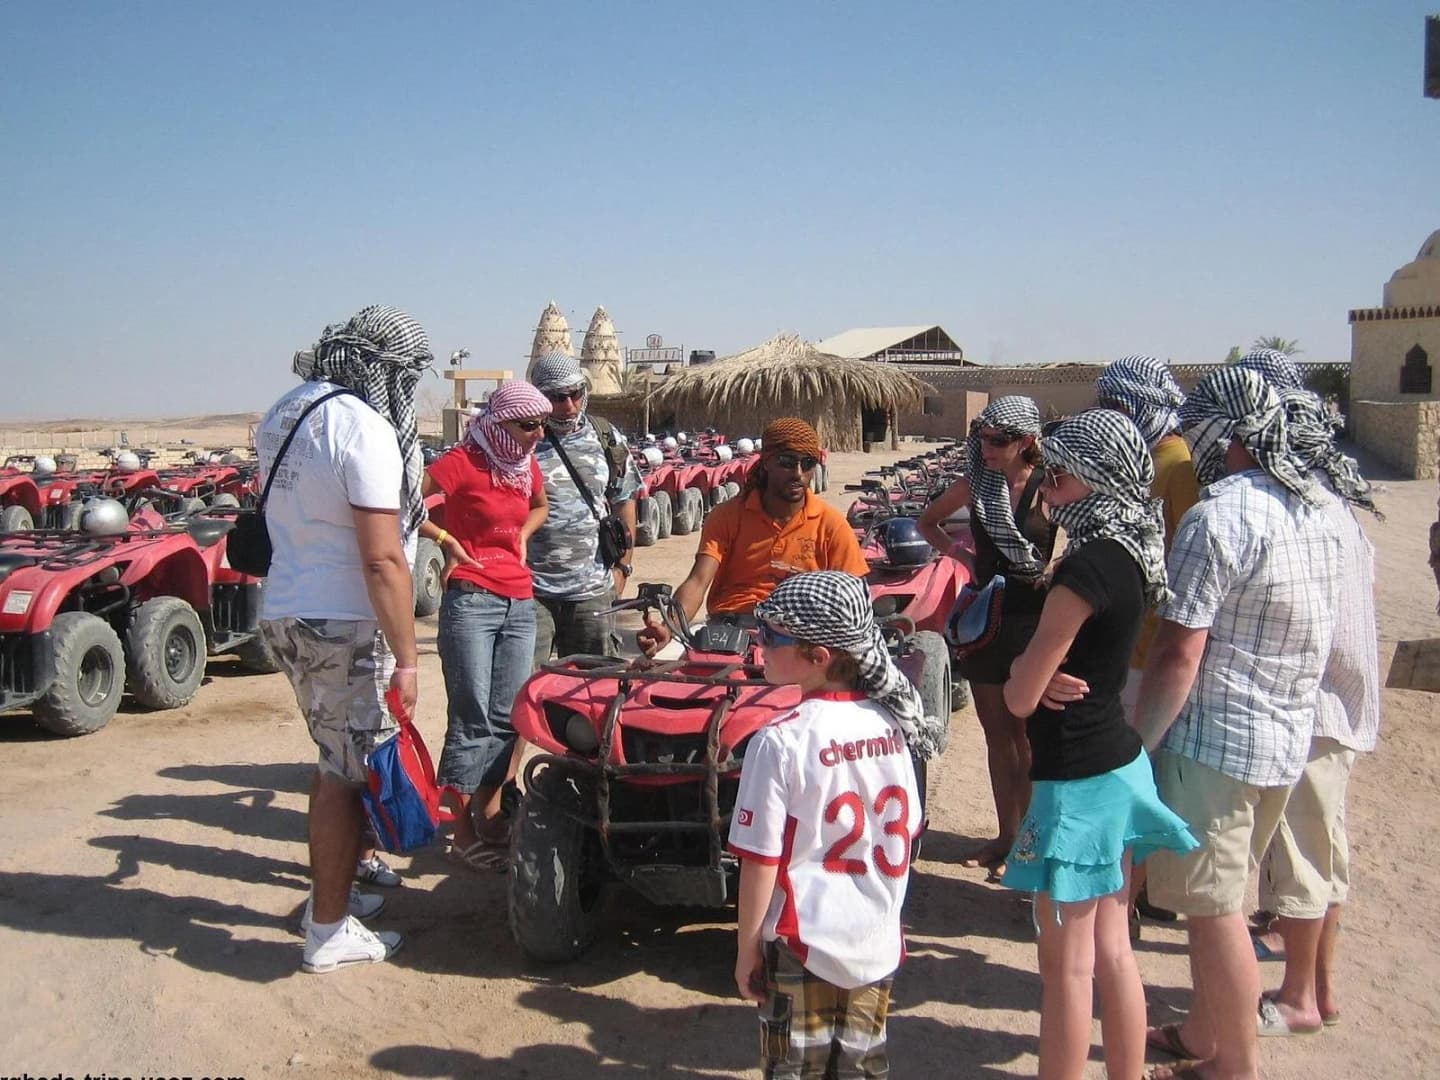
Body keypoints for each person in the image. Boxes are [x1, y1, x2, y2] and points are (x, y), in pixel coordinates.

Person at [1131, 368, 1342, 1080]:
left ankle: (1234, 1069)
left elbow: (1179, 651)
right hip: (1282, 740)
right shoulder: (1318, 510)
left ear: (1227, 431)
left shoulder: (1218, 516)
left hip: (1215, 746)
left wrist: (1138, 748)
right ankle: (1202, 1032)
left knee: (1214, 915)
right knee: (1220, 900)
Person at [1000, 409, 1198, 1080]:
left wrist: (1032, 670)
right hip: (1118, 764)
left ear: (1096, 481)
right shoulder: (1131, 552)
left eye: (1057, 477)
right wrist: (1045, 672)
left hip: (1078, 782)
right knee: (1115, 950)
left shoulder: (1083, 570)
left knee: (1066, 964)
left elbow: (1019, 698)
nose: (1046, 488)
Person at [257, 304, 431, 974]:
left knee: (340, 759)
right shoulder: (362, 426)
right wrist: (409, 659)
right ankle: (328, 931)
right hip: (342, 620)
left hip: (291, 608)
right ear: (386, 369)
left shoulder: (286, 409)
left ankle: (342, 889)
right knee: (344, 775)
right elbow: (384, 559)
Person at [728, 571, 923, 1079]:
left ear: (818, 656)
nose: (760, 645)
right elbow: (912, 827)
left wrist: (747, 946)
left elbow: (761, 858)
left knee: (794, 1071)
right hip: (877, 941)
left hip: (803, 944)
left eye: (772, 636)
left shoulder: (779, 740)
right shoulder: (892, 727)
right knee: (862, 1069)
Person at [1247, 388, 1382, 1036]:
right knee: (1327, 856)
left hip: (1314, 707)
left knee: (1301, 859)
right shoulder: (1343, 513)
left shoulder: (1307, 516)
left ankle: (1298, 996)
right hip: (1343, 707)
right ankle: (1321, 990)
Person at [917, 396, 1056, 876]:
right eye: (983, 439)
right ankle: (1007, 837)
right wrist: (964, 557)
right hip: (988, 622)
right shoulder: (977, 485)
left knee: (1032, 737)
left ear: (1027, 441)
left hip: (1037, 622)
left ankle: (1033, 846)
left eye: (999, 441)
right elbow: (927, 522)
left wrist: (1056, 567)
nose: (988, 449)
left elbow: (1079, 538)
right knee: (998, 735)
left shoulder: (1051, 487)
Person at [416, 382, 551, 871]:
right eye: (527, 424)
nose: (537, 434)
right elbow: (406, 503)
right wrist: (448, 540)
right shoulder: (461, 461)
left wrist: (522, 536)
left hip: (519, 599)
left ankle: (487, 812)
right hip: (472, 598)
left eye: (542, 424)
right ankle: (462, 833)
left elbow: (541, 505)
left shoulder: (522, 464)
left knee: (508, 716)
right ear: (500, 422)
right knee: (471, 716)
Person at [1094, 354, 1200, 932]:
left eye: (1116, 403)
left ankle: (1126, 905)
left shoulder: (1177, 469)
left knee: (1137, 775)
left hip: (1153, 647)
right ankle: (1143, 892)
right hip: (1135, 644)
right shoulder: (1146, 462)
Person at [636, 418, 869, 657]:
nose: (798, 474)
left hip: (802, 641)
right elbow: (698, 581)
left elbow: (853, 599)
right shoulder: (727, 516)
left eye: (808, 463)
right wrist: (669, 628)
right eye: (787, 462)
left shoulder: (831, 524)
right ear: (767, 462)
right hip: (729, 633)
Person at [525, 352, 643, 665]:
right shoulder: (520, 440)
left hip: (592, 590)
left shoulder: (606, 436)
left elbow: (624, 501)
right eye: (557, 397)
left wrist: (623, 567)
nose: (569, 406)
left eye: (576, 394)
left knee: (594, 692)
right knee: (523, 692)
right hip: (531, 591)